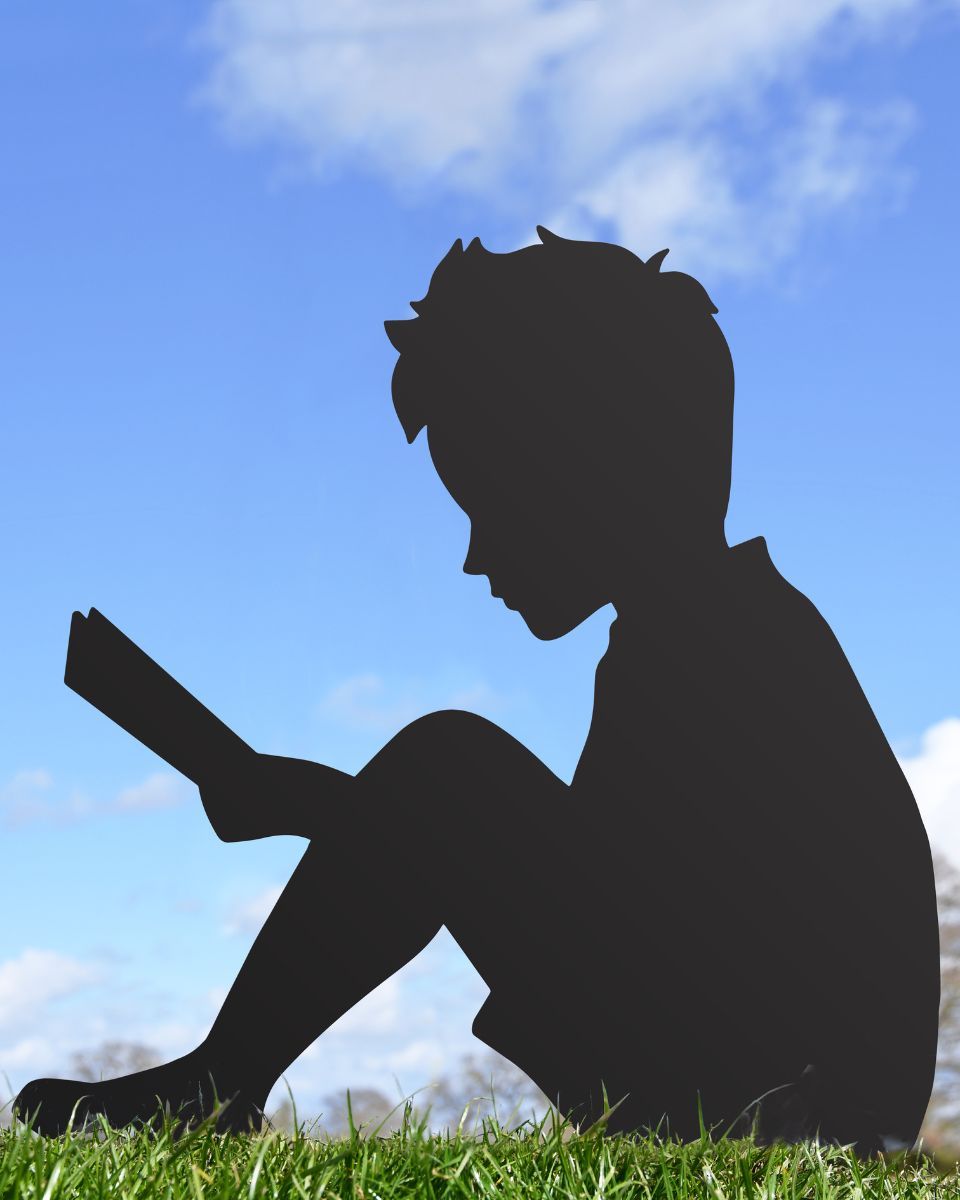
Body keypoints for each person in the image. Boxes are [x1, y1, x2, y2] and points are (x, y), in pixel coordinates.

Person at [14, 229, 940, 1158]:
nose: (475, 554)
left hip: (791, 1115)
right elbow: (590, 896)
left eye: (492, 504)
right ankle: (220, 1080)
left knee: (450, 766)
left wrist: (327, 808)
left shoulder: (726, 644)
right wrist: (344, 811)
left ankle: (221, 1083)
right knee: (447, 780)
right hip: (759, 1081)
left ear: (601, 474)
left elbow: (582, 896)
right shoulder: (697, 632)